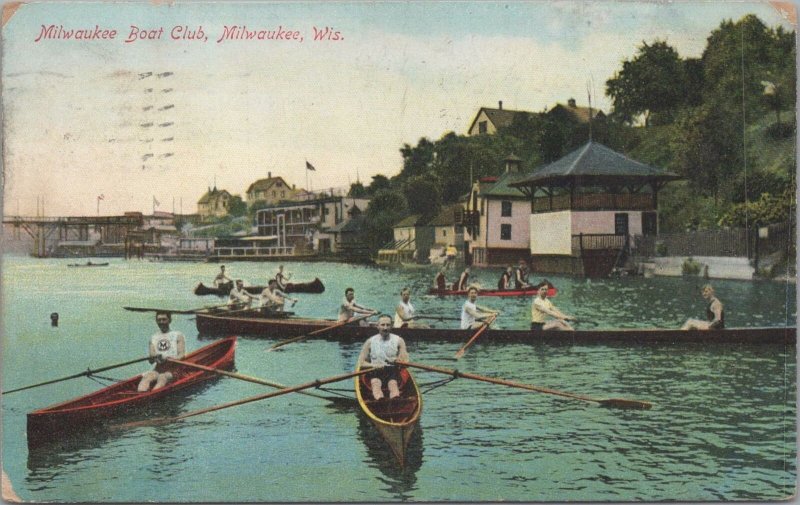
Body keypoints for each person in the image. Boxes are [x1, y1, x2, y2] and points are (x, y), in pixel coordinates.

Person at [357, 315, 409, 400]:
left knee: (393, 384)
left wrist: (397, 360)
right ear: (377, 326)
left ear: (391, 325)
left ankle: (396, 400)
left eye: (388, 325)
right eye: (382, 325)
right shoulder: (370, 342)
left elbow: (406, 361)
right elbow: (361, 363)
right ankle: (380, 400)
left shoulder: (399, 341)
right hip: (376, 370)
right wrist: (374, 365)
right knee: (376, 383)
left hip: (392, 371)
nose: (385, 328)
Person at [137, 312, 186, 392]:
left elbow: (181, 355)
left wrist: (168, 358)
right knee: (147, 377)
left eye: (164, 319)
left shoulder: (178, 335)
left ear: (169, 320)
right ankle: (141, 395)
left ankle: (151, 396)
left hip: (174, 370)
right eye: (159, 320)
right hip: (158, 369)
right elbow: (151, 359)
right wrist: (153, 358)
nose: (161, 322)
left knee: (162, 377)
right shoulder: (153, 338)